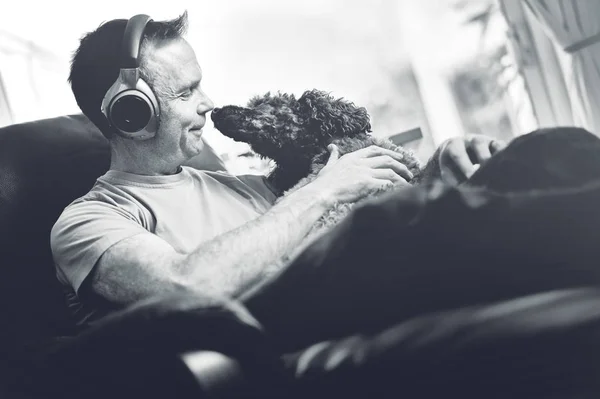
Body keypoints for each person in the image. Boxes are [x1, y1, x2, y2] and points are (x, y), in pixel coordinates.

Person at [50, 11, 503, 329]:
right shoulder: (90, 221)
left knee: (535, 159)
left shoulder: (240, 186)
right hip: (295, 351)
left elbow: (340, 234)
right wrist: (323, 191)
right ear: (132, 114)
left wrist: (442, 173)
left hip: (379, 299)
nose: (208, 103)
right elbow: (188, 286)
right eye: (186, 93)